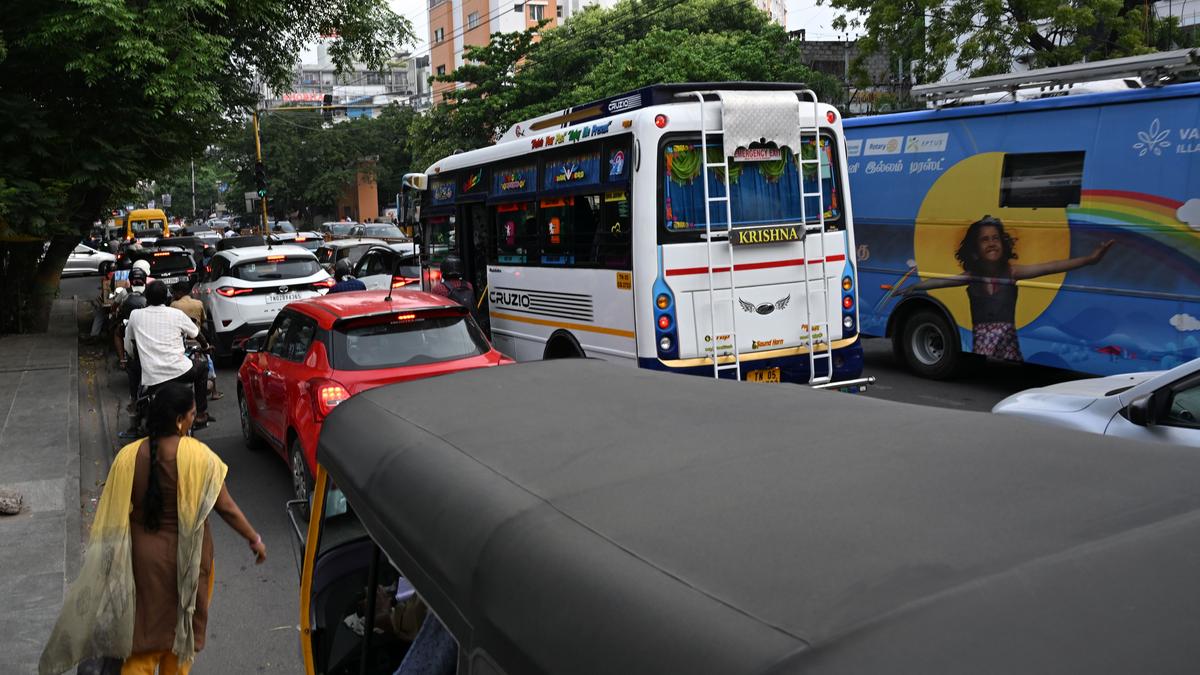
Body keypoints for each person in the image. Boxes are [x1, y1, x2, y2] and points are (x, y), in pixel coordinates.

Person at [40, 383, 267, 675]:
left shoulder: (129, 457)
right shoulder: (200, 457)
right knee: (179, 641)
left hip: (141, 563)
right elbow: (227, 508)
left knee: (143, 640)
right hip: (189, 562)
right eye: (192, 415)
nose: (193, 421)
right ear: (179, 420)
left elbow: (113, 512)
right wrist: (254, 539)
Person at [903, 215, 1114, 361]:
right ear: (975, 248)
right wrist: (913, 288)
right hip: (981, 342)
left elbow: (1051, 267)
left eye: (995, 238)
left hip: (1007, 341)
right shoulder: (972, 276)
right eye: (984, 240)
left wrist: (1088, 260)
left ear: (1004, 244)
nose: (991, 243)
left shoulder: (1012, 272)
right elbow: (941, 281)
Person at [123, 281, 214, 429]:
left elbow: (130, 344)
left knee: (134, 372)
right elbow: (198, 334)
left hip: (153, 378)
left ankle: (135, 407)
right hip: (182, 371)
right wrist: (206, 346)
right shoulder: (176, 314)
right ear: (167, 297)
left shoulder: (135, 315)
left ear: (147, 297)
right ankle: (201, 413)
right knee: (202, 368)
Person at [171, 282, 222, 401]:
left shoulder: (174, 305)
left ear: (179, 293)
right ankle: (214, 391)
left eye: (174, 293)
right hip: (197, 341)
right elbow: (203, 320)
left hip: (182, 342)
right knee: (209, 363)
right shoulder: (198, 303)